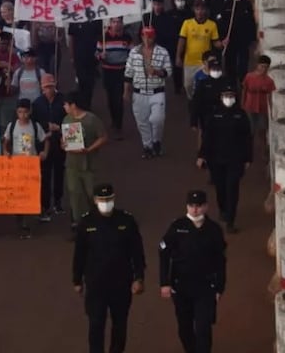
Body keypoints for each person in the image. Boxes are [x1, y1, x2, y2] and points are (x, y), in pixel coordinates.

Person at [72, 184, 146, 353]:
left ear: (114, 198)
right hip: (96, 284)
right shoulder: (86, 222)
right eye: (102, 200)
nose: (106, 203)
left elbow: (137, 252)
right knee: (96, 324)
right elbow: (79, 254)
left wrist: (139, 277)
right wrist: (77, 280)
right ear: (96, 200)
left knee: (120, 325)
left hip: (121, 283)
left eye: (109, 199)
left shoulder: (126, 221)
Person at [159, 190, 227, 353]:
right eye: (191, 206)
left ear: (206, 207)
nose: (195, 209)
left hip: (205, 287)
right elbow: (163, 253)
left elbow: (221, 260)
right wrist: (165, 283)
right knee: (185, 327)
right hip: (181, 287)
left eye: (198, 206)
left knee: (203, 328)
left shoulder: (213, 230)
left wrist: (219, 287)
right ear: (187, 207)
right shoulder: (177, 227)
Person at [196, 84, 252, 233]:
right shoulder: (214, 115)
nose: (229, 99)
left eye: (231, 96)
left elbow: (247, 138)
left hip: (236, 159)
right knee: (220, 187)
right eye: (226, 96)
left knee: (232, 188)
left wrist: (248, 159)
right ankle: (223, 209)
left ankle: (231, 221)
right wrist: (201, 156)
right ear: (221, 98)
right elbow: (207, 137)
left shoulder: (240, 115)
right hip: (216, 159)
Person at [62, 91, 108, 235]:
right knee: (75, 194)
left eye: (66, 104)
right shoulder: (66, 120)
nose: (64, 107)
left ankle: (99, 222)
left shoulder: (92, 120)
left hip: (89, 164)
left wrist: (89, 149)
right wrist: (63, 145)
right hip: (72, 164)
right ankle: (78, 225)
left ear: (73, 105)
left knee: (91, 194)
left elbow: (103, 137)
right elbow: (63, 139)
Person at [123, 26, 172, 159]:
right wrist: (126, 91)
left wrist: (157, 72)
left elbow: (168, 72)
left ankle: (156, 140)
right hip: (139, 92)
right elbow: (128, 73)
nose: (147, 39)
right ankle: (147, 146)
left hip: (157, 92)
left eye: (150, 36)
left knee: (157, 119)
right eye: (145, 36)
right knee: (142, 121)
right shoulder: (134, 52)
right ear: (141, 36)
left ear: (154, 37)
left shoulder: (162, 52)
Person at [2, 98, 48, 239]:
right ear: (16, 112)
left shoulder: (35, 126)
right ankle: (21, 221)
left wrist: (44, 152)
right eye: (20, 112)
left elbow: (45, 140)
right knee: (18, 192)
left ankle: (33, 214)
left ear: (30, 112)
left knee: (33, 191)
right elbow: (6, 141)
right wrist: (5, 151)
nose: (23, 115)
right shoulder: (12, 126)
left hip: (31, 165)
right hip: (17, 165)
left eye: (25, 112)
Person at [32, 74, 66, 220]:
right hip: (44, 145)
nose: (48, 90)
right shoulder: (37, 103)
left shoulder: (64, 101)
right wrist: (47, 126)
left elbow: (71, 120)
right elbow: (34, 122)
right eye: (46, 87)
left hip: (60, 143)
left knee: (59, 173)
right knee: (44, 176)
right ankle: (45, 206)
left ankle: (58, 202)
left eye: (51, 86)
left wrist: (60, 128)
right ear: (41, 88)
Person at [176, 0, 221, 98]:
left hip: (204, 62)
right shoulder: (187, 23)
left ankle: (202, 104)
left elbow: (216, 42)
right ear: (194, 10)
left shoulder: (212, 25)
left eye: (202, 9)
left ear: (206, 10)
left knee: (204, 85)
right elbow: (181, 41)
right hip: (189, 61)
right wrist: (178, 57)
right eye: (197, 9)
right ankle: (192, 102)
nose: (200, 11)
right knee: (188, 85)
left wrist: (222, 43)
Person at [95, 18, 131, 140]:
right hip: (108, 71)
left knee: (119, 98)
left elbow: (131, 53)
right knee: (110, 97)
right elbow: (96, 54)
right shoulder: (103, 37)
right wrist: (101, 56)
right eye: (114, 22)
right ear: (110, 23)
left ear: (122, 23)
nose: (116, 24)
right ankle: (113, 119)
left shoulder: (127, 37)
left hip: (122, 71)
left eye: (118, 22)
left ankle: (118, 124)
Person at [241, 55, 276, 153]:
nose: (263, 69)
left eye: (266, 67)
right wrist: (242, 105)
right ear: (257, 65)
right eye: (262, 66)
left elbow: (270, 97)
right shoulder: (249, 77)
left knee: (262, 131)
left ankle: (264, 151)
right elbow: (244, 91)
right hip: (249, 107)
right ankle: (247, 151)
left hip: (262, 109)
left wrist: (271, 110)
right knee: (249, 131)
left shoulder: (269, 81)